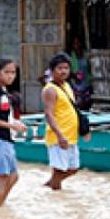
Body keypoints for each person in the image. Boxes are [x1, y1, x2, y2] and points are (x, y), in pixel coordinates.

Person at [0, 58, 28, 207]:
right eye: (6, 72)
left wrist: (15, 124)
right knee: (2, 176)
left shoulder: (3, 90)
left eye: (13, 72)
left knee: (13, 176)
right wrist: (11, 125)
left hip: (6, 138)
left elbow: (4, 115)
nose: (10, 76)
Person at [43, 53, 89, 191]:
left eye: (66, 68)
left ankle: (49, 186)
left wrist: (85, 129)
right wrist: (60, 135)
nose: (63, 71)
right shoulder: (50, 90)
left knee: (73, 168)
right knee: (59, 170)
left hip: (71, 136)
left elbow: (73, 109)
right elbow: (49, 114)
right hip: (59, 137)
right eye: (59, 68)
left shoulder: (67, 85)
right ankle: (55, 195)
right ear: (52, 71)